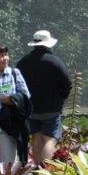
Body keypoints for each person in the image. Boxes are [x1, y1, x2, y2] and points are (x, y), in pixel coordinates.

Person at [17, 30, 73, 165]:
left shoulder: (23, 62)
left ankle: (36, 169)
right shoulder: (55, 62)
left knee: (36, 137)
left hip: (30, 109)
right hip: (51, 109)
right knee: (51, 139)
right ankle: (45, 172)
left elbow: (16, 83)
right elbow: (67, 83)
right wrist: (61, 98)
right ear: (48, 44)